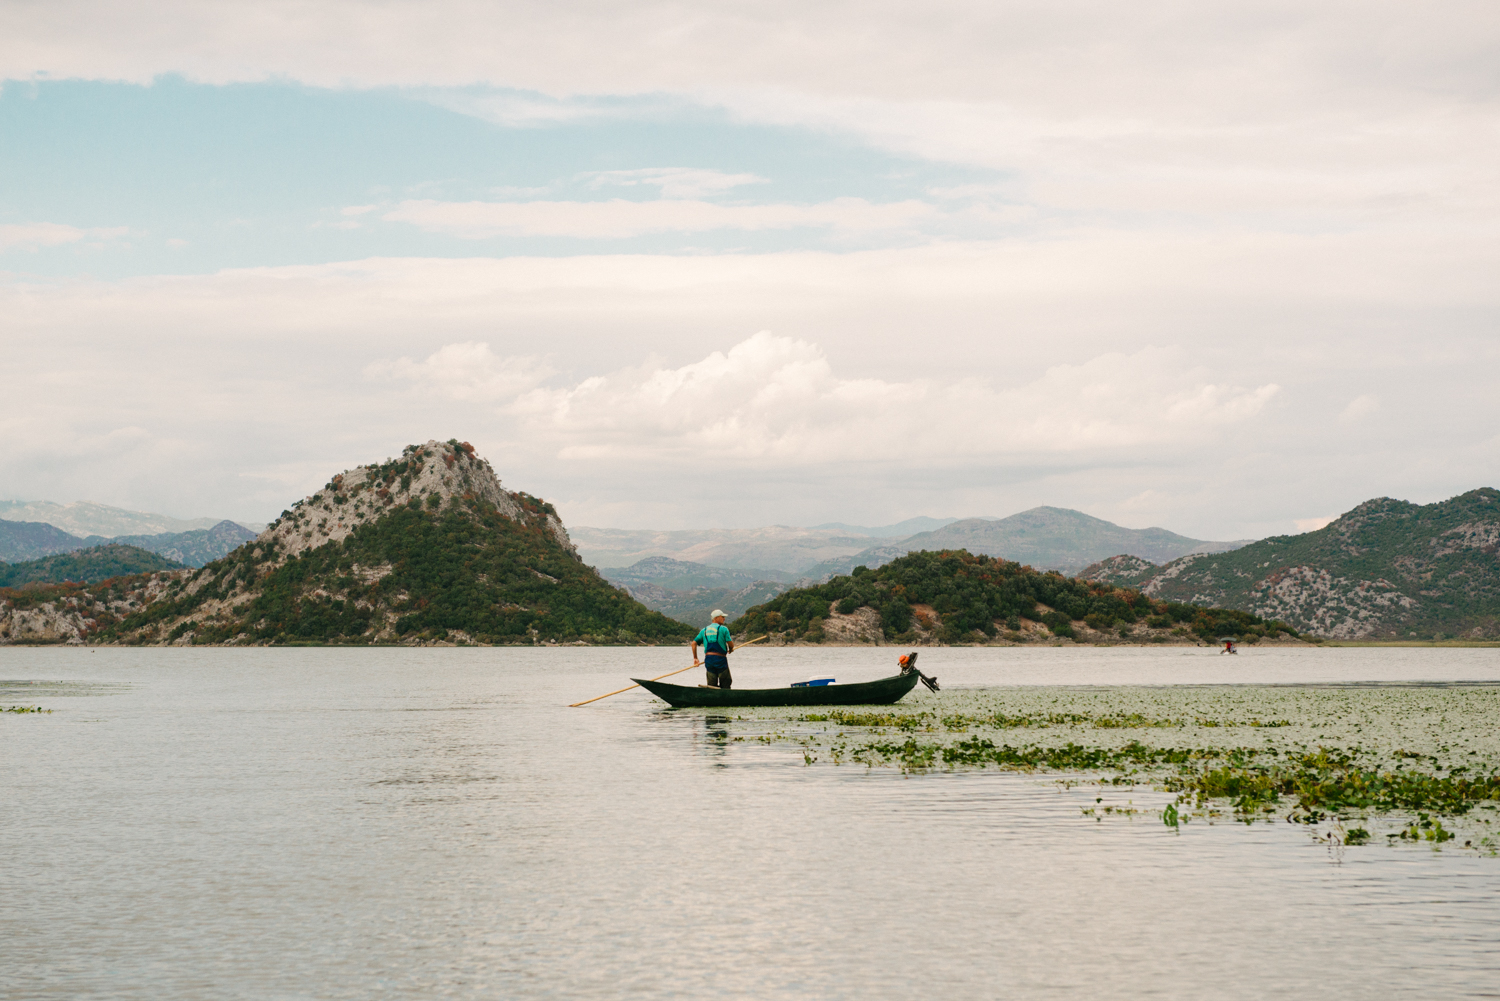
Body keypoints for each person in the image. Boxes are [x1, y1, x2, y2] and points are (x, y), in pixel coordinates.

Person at [692, 609, 736, 688]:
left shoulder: (704, 630)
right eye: (722, 617)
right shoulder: (723, 629)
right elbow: (731, 644)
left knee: (711, 686)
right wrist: (731, 649)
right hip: (720, 660)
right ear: (716, 618)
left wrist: (695, 658)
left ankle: (713, 698)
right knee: (726, 683)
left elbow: (693, 643)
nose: (724, 619)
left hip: (709, 660)